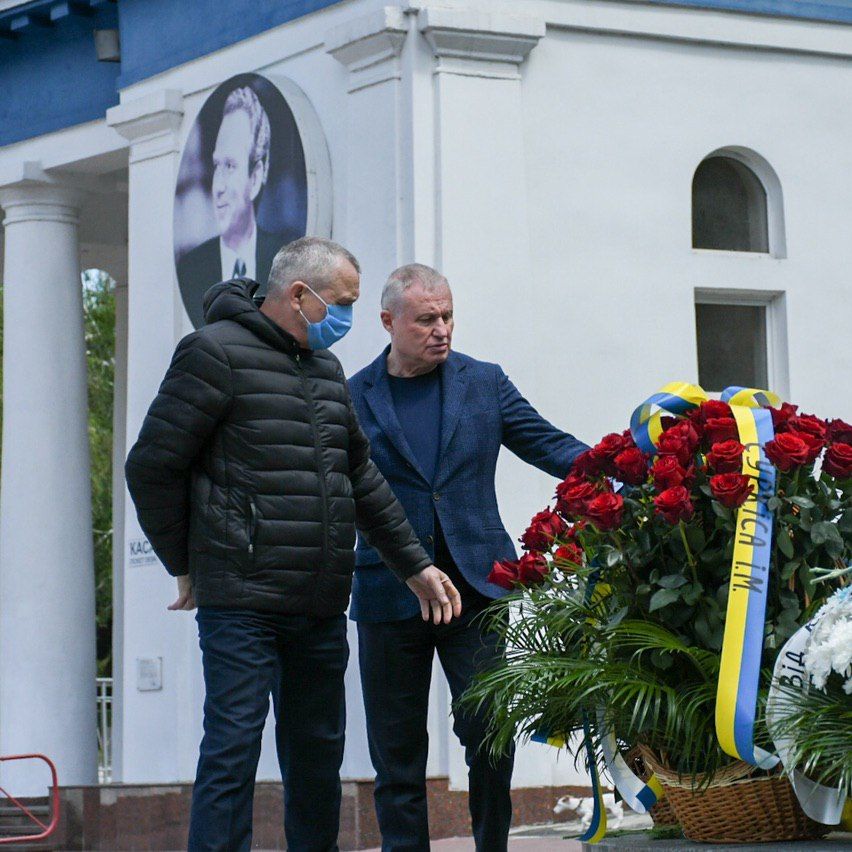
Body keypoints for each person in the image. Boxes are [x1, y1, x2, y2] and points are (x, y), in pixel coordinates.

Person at [125, 240, 461, 852]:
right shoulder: (212, 353)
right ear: (300, 296)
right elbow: (151, 465)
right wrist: (185, 562)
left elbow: (359, 478)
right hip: (244, 598)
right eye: (343, 304)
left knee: (316, 759)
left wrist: (414, 565)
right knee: (232, 748)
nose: (347, 319)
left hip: (319, 600)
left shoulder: (326, 371)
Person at [348, 263, 589, 852]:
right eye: (426, 319)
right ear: (388, 322)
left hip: (477, 589)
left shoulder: (484, 382)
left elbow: (548, 443)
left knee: (489, 734)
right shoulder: (351, 396)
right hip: (390, 590)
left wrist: (622, 466)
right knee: (397, 751)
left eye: (448, 315)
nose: (442, 329)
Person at [176, 85, 300, 328]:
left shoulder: (286, 263)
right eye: (216, 166)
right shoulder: (192, 269)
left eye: (230, 166)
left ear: (255, 177)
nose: (218, 186)